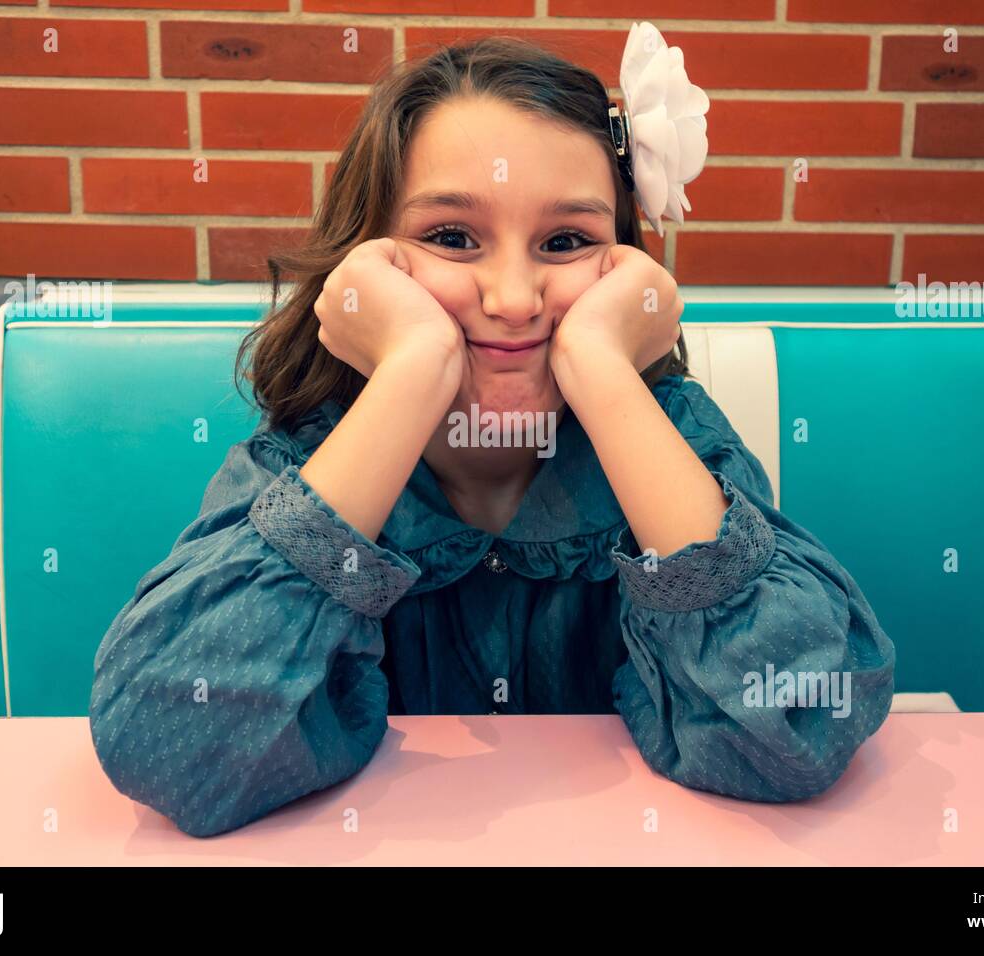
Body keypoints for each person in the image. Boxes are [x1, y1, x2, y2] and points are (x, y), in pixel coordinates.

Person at [89, 24, 896, 838]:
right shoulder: (311, 455)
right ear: (368, 259)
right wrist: (411, 374)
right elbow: (170, 746)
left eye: (566, 241)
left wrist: (606, 375)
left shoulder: (675, 440)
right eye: (451, 238)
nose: (514, 297)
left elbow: (800, 726)